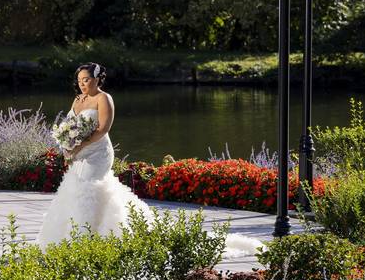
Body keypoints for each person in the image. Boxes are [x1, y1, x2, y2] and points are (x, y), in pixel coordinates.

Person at [36, 63, 262, 259]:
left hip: (97, 153)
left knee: (90, 187)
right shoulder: (78, 99)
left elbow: (103, 128)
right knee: (75, 187)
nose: (83, 84)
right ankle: (71, 236)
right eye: (80, 81)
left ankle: (90, 238)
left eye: (87, 80)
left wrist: (82, 145)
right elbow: (69, 125)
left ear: (97, 79)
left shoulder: (104, 99)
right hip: (78, 154)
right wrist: (67, 146)